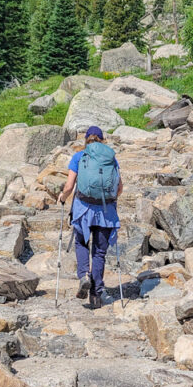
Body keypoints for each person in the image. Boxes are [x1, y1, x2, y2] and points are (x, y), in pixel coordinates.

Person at [57, 126, 122, 308]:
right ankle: (96, 295)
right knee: (100, 252)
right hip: (106, 212)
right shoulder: (110, 158)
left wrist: (62, 197)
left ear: (86, 140)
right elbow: (119, 188)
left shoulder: (79, 156)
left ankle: (84, 275)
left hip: (83, 209)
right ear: (102, 140)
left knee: (82, 243)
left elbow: (69, 186)